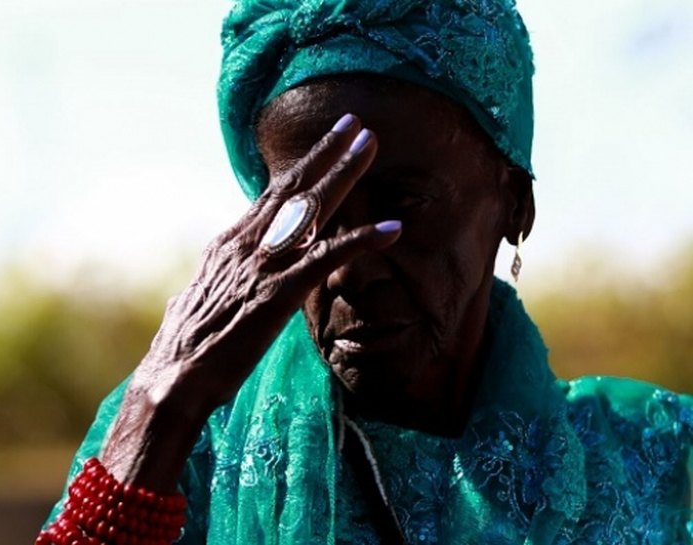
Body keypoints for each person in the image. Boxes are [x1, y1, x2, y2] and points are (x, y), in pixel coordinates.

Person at [37, 1, 693, 544]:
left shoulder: (656, 467)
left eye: (403, 203)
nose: (347, 267)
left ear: (513, 204)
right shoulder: (181, 458)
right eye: (305, 214)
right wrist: (160, 411)